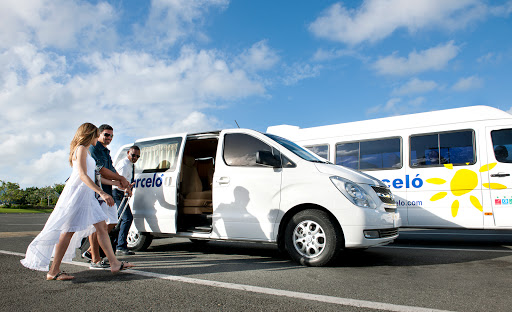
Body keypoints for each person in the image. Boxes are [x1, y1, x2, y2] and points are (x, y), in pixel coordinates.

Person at [20, 123, 134, 280]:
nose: (97, 138)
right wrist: (101, 193)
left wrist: (115, 183)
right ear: (89, 135)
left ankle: (114, 263)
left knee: (101, 227)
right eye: (96, 135)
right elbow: (82, 175)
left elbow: (95, 176)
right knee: (67, 232)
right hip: (78, 195)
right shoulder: (81, 149)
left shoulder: (86, 151)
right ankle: (53, 271)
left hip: (87, 195)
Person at [84, 124, 130, 269]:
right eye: (106, 135)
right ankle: (95, 259)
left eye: (111, 135)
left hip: (107, 191)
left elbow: (111, 169)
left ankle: (91, 251)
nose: (109, 138)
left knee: (112, 222)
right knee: (97, 225)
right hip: (97, 192)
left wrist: (119, 181)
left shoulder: (106, 151)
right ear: (98, 134)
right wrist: (121, 178)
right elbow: (101, 170)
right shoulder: (94, 148)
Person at [113, 145, 140, 255]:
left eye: (138, 156)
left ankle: (116, 244)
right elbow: (118, 182)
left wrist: (128, 186)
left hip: (122, 193)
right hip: (118, 193)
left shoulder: (130, 165)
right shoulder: (124, 165)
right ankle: (120, 246)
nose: (135, 158)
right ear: (128, 153)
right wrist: (127, 188)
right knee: (127, 218)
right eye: (133, 155)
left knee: (120, 220)